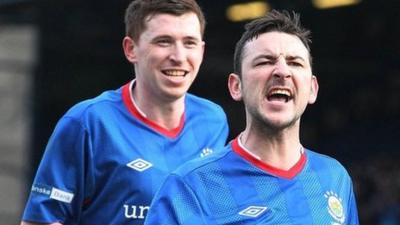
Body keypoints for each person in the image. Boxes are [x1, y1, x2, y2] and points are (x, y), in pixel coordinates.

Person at [20, 0, 229, 224]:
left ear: (202, 50)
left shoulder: (213, 120)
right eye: (164, 42)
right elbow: (39, 221)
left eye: (189, 43)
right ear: (131, 49)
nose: (178, 56)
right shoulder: (88, 122)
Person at [144, 10, 359, 225]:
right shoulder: (189, 188)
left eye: (295, 63)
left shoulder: (335, 177)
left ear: (312, 89)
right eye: (265, 61)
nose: (282, 71)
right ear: (236, 87)